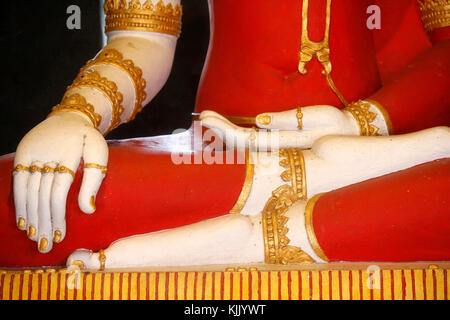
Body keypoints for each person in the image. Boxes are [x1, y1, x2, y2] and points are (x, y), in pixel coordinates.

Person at [0, 0, 449, 269]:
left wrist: (361, 123)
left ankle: (264, 230)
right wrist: (77, 114)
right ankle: (331, 190)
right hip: (220, 152)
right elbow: (144, 37)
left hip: (375, 139)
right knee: (17, 195)